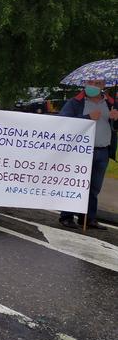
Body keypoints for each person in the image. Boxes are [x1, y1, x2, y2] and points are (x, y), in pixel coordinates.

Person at [58, 78, 117, 230]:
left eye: (98, 83)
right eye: (91, 82)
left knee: (94, 187)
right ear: (84, 83)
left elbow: (115, 127)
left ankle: (88, 218)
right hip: (81, 151)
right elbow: (63, 122)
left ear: (104, 85)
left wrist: (116, 118)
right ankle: (67, 216)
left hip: (102, 150)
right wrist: (87, 118)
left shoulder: (111, 103)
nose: (94, 86)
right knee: (75, 183)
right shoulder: (75, 102)